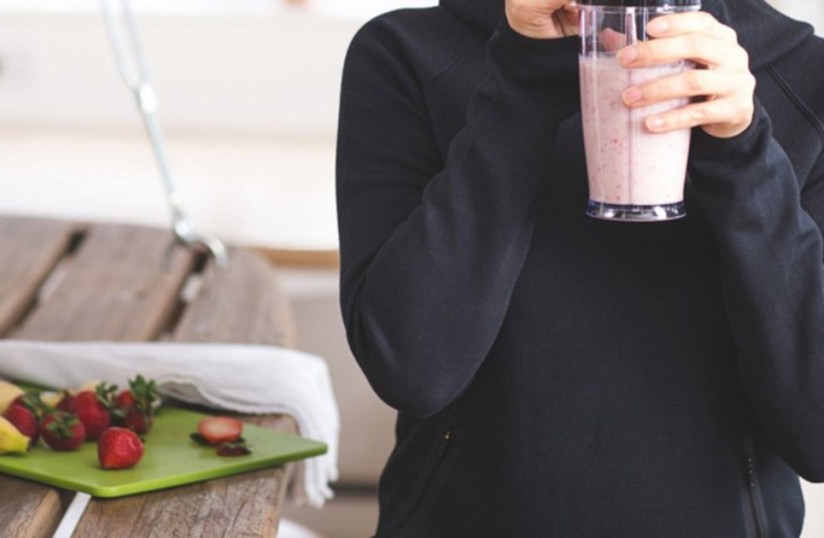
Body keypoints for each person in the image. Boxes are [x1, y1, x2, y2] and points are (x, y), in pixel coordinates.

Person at [335, 0, 824, 535]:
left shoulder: (804, 74)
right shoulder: (407, 53)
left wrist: (744, 153)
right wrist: (521, 84)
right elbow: (412, 369)